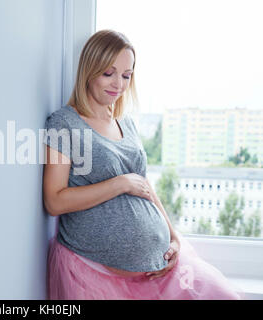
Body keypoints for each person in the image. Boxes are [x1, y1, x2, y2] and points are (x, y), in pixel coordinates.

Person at [42, 29, 245, 300]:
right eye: (108, 73)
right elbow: (54, 201)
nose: (118, 84)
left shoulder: (125, 122)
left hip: (159, 271)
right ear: (89, 70)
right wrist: (119, 183)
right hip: (95, 275)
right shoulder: (64, 123)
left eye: (126, 76)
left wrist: (174, 239)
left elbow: (143, 187)